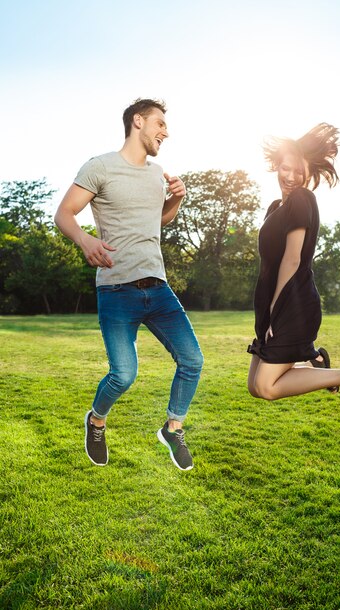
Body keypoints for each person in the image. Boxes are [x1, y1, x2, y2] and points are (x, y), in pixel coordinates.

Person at [55, 98, 203, 471]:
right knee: (123, 375)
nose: (165, 132)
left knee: (193, 360)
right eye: (160, 124)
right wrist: (86, 241)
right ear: (138, 121)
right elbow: (64, 213)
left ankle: (173, 427)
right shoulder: (99, 167)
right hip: (116, 289)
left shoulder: (158, 174)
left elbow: (159, 222)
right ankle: (97, 420)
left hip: (158, 287)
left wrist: (177, 202)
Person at [247, 123, 340, 413]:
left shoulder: (302, 199)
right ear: (277, 166)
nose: (291, 176)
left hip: (292, 304)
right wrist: (265, 311)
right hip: (270, 305)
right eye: (286, 168)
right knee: (254, 387)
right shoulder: (275, 207)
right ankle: (318, 362)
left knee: (266, 386)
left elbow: (293, 259)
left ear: (308, 174)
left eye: (299, 172)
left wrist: (274, 310)